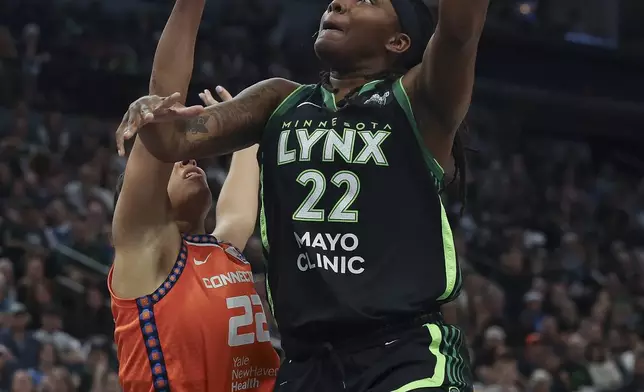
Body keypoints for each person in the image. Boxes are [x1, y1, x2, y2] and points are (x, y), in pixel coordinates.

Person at [117, 0, 488, 390]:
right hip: (307, 365)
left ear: (398, 41)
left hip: (402, 357)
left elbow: (460, 31)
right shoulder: (279, 101)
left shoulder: (420, 101)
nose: (338, 3)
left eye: (367, 1)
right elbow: (170, 136)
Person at [109, 2, 279, 389]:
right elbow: (163, 97)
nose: (187, 158)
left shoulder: (224, 250)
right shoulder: (145, 249)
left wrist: (240, 128)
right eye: (173, 164)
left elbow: (238, 206)